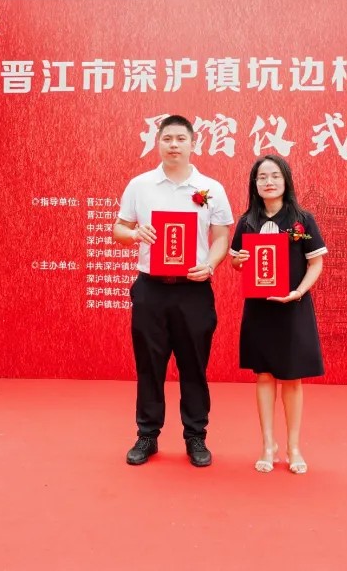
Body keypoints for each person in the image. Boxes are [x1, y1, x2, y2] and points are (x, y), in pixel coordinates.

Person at [113, 115, 233, 467]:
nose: (174, 145)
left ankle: (196, 436)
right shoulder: (140, 185)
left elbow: (221, 236)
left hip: (193, 289)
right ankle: (147, 435)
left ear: (194, 143)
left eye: (181, 138)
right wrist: (134, 234)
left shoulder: (210, 188)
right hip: (151, 289)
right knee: (149, 365)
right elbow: (120, 228)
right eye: (167, 138)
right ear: (158, 143)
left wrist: (210, 265)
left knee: (194, 365)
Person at [229, 155, 327, 474]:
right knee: (263, 375)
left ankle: (293, 447)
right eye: (261, 177)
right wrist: (240, 260)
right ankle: (267, 445)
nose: (268, 182)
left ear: (286, 180)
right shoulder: (247, 221)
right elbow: (235, 261)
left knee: (292, 377)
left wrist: (298, 292)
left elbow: (315, 263)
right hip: (260, 309)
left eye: (274, 175)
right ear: (254, 184)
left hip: (292, 307)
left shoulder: (303, 219)